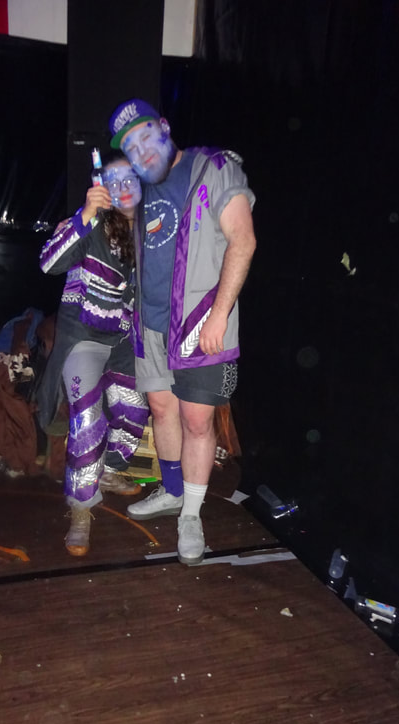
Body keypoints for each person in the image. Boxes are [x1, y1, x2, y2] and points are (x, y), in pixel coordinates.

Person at [108, 98, 257, 565]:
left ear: (165, 127)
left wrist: (220, 315)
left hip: (199, 326)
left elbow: (243, 240)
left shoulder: (213, 168)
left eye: (145, 136)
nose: (141, 151)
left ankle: (190, 516)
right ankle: (172, 490)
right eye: (131, 147)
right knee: (161, 410)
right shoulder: (142, 189)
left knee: (197, 422)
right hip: (151, 326)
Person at [38, 154, 149, 557]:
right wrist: (84, 215)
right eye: (112, 179)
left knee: (135, 408)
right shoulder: (90, 224)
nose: (122, 186)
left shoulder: (150, 231)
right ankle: (81, 507)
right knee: (87, 421)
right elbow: (49, 264)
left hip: (122, 340)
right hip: (83, 337)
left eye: (129, 177)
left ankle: (108, 470)